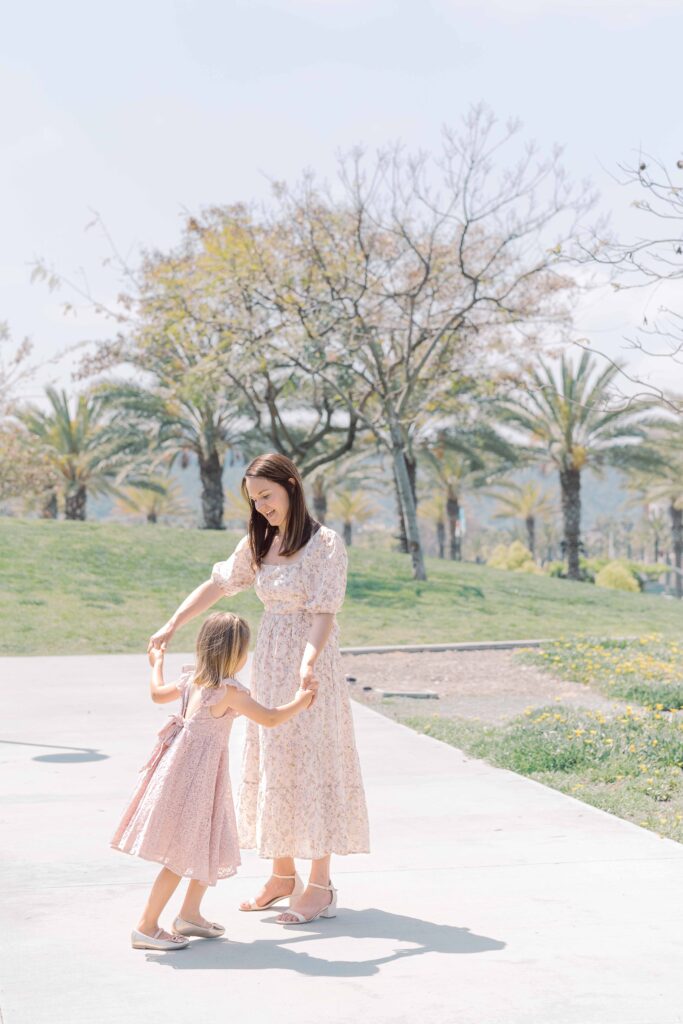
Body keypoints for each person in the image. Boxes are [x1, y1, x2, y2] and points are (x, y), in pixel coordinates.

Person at [148, 452, 370, 927]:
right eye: (255, 500)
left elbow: (325, 611)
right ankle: (282, 874)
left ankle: (320, 884)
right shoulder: (259, 541)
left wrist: (308, 663)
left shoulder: (326, 543)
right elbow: (219, 585)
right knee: (274, 757)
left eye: (268, 496)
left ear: (291, 484)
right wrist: (172, 623)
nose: (263, 507)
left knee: (314, 760)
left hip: (312, 661)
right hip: (270, 662)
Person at [112, 611, 316, 951]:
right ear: (236, 654)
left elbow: (156, 693)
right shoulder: (229, 691)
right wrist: (302, 700)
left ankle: (190, 915)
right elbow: (269, 717)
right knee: (180, 854)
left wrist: (156, 662)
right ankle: (146, 926)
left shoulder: (193, 681)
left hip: (187, 776)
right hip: (195, 781)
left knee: (205, 841)